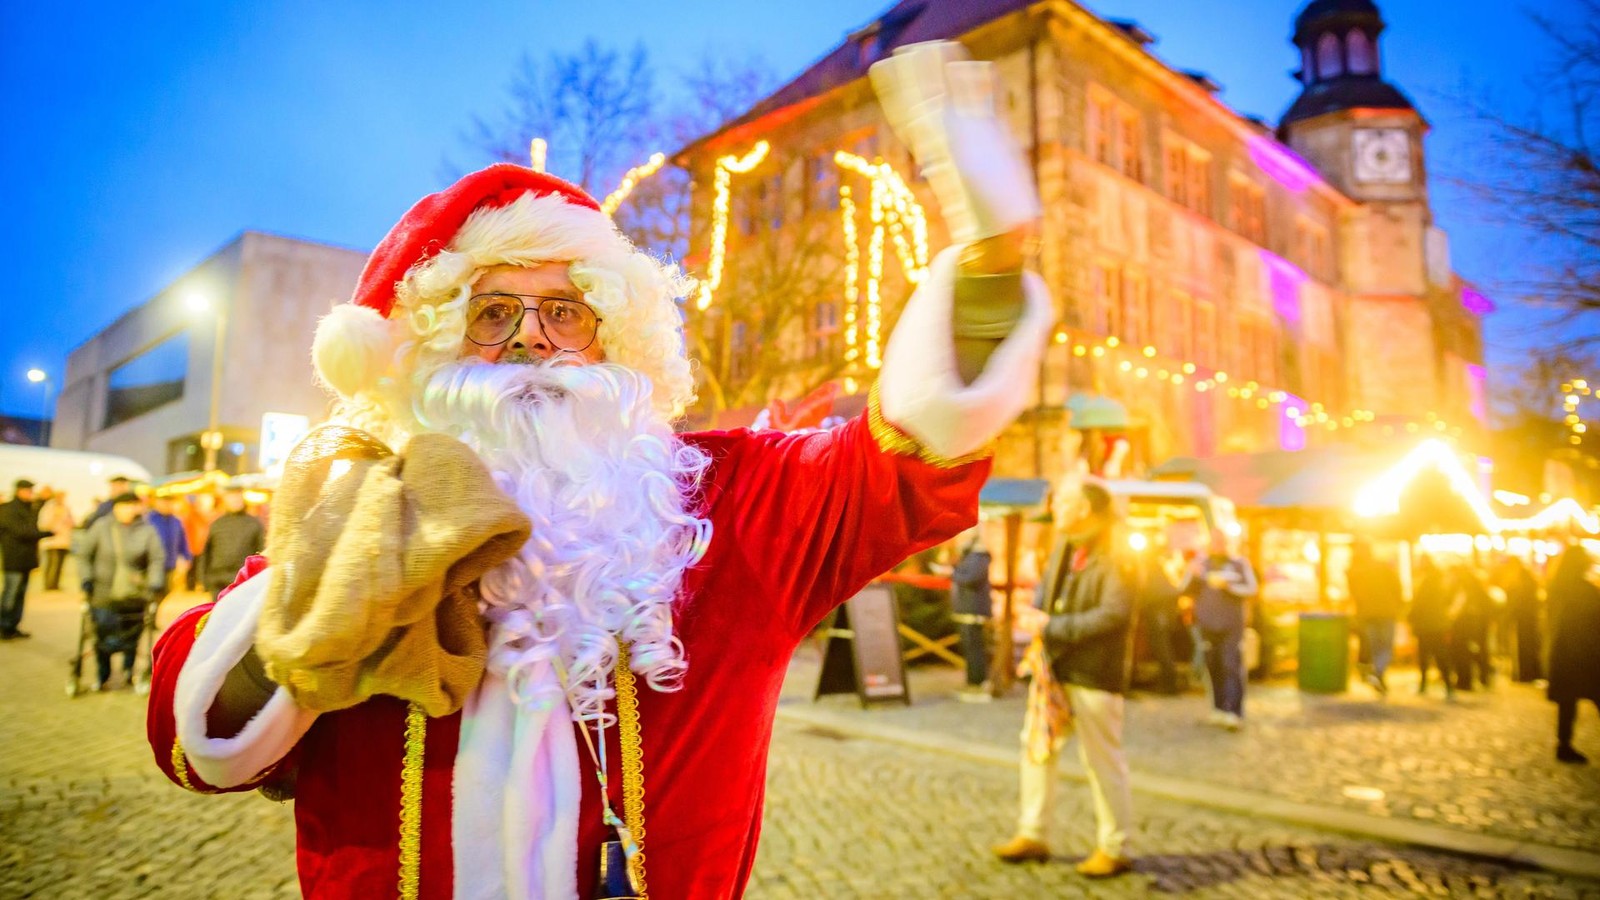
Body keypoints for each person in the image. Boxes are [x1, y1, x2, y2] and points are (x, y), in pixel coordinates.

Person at [145, 41, 1053, 899]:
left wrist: (987, 267)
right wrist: (312, 612)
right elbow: (197, 747)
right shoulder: (354, 508)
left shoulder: (731, 506)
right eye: (491, 312)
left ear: (616, 338)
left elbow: (903, 460)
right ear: (423, 349)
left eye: (567, 314)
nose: (534, 338)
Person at [993, 482, 1134, 877]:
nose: (1055, 506)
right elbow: (1045, 594)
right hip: (1054, 669)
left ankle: (1115, 846)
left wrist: (1054, 626)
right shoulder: (1065, 544)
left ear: (1085, 507)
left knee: (1102, 759)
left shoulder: (1117, 552)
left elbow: (1114, 614)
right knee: (1037, 748)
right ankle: (1033, 833)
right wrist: (1037, 613)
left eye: (1065, 500)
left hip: (1094, 671)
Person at [79, 493, 166, 689]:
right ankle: (103, 673)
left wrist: (154, 582)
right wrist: (86, 579)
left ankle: (129, 670)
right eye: (124, 506)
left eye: (132, 506)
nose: (128, 510)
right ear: (115, 508)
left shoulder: (147, 530)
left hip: (134, 595)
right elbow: (84, 555)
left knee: (131, 635)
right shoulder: (102, 527)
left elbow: (156, 559)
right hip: (103, 593)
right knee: (102, 633)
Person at [1180, 528, 1258, 729]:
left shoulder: (1239, 564)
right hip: (1207, 624)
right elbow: (1183, 589)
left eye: (1220, 541)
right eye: (1214, 541)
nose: (1217, 545)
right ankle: (1218, 709)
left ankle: (1234, 711)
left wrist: (1229, 587)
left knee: (1231, 665)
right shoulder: (1201, 564)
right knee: (1212, 666)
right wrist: (1193, 573)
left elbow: (1252, 589)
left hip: (1231, 625)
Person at [1547, 545, 1600, 764]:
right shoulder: (1585, 591)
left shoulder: (1557, 588)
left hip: (1564, 652)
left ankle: (1564, 744)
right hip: (1586, 652)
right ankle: (1564, 745)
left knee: (1567, 702)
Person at [1347, 539, 1405, 696]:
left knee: (1376, 646)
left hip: (1370, 614)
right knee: (1384, 646)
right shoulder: (1380, 566)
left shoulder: (1356, 570)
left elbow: (1355, 594)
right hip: (1385, 612)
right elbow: (1397, 587)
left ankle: (1376, 674)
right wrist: (1398, 605)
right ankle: (1378, 674)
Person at [0, 479, 55, 639]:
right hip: (14, 560)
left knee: (20, 596)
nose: (31, 493)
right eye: (29, 490)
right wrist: (48, 533)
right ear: (19, 490)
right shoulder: (8, 509)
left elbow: (34, 516)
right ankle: (4, 626)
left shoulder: (26, 508)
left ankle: (13, 626)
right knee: (10, 595)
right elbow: (22, 532)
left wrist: (44, 499)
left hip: (25, 560)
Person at [192, 489, 264, 598]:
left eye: (238, 496)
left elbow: (261, 554)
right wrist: (203, 579)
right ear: (225, 499)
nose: (235, 500)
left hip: (243, 581)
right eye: (231, 496)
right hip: (217, 580)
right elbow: (206, 553)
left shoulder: (254, 524)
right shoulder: (217, 524)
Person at [950, 528, 994, 701]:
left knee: (975, 648)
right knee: (970, 648)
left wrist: (952, 573)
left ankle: (978, 683)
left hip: (973, 609)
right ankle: (972, 682)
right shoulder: (971, 556)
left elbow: (970, 578)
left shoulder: (979, 557)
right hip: (966, 608)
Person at [1136, 541, 1184, 695]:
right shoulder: (1156, 569)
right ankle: (1168, 685)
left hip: (1159, 613)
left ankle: (1169, 686)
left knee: (1162, 649)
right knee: (1163, 648)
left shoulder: (1152, 570)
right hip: (1162, 612)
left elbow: (1154, 591)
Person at [1409, 556, 1455, 698]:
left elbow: (1419, 603)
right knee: (1440, 655)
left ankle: (1425, 685)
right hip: (1438, 623)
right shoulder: (1440, 582)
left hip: (1428, 624)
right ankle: (1448, 686)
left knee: (1426, 655)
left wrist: (1410, 616)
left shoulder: (1427, 582)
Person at [1494, 556, 1543, 683]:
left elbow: (1516, 602)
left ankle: (1524, 674)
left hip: (1523, 619)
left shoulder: (1521, 580)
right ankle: (1526, 673)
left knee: (1523, 647)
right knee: (1525, 647)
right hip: (1526, 618)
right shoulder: (1525, 579)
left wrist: (1506, 616)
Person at [1450, 565, 1494, 691]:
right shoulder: (1476, 588)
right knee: (1479, 651)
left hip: (1466, 626)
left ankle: (1465, 681)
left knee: (1464, 652)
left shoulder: (1463, 589)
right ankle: (1484, 678)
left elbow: (1457, 609)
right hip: (1478, 625)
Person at [145, 494, 192, 603]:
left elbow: (182, 541)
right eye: (164, 501)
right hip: (152, 566)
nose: (167, 505)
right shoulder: (149, 520)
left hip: (170, 564)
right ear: (156, 502)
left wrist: (187, 556)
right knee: (152, 593)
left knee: (165, 594)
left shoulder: (176, 521)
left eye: (169, 502)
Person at [37, 487, 75, 592]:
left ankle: (55, 584)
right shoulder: (49, 507)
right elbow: (43, 524)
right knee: (52, 563)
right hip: (52, 541)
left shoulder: (66, 508)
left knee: (59, 564)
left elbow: (72, 522)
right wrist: (55, 517)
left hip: (64, 541)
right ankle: (49, 584)